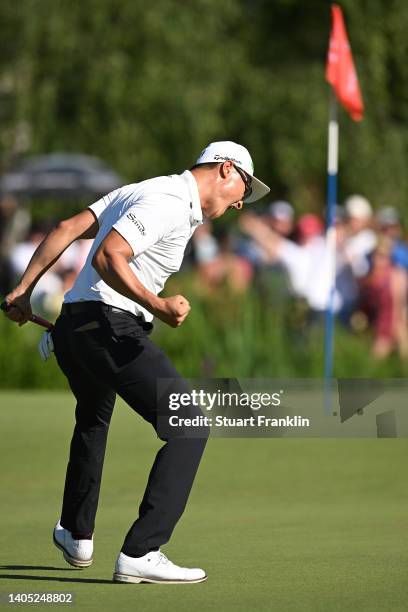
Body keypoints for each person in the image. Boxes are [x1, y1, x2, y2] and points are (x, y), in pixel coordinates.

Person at [3, 141, 270, 584]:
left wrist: (22, 290)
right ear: (225, 169)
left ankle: (76, 531)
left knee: (92, 418)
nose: (241, 200)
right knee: (190, 427)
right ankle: (141, 552)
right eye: (243, 186)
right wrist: (157, 304)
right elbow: (110, 255)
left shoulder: (142, 190)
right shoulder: (168, 200)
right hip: (110, 326)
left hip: (76, 327)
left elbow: (69, 226)